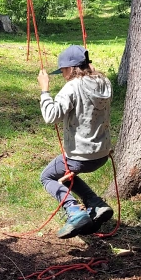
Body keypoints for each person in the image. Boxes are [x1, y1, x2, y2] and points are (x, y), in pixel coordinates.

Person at [37, 45, 114, 239]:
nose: (62, 75)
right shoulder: (104, 82)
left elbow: (50, 116)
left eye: (63, 70)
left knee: (47, 177)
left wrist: (45, 91)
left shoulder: (72, 86)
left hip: (80, 156)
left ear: (71, 69)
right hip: (102, 154)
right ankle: (95, 204)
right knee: (66, 174)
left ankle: (73, 210)